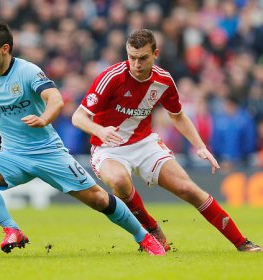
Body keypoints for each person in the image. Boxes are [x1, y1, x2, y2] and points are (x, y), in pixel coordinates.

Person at [0, 21, 165, 256]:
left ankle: (143, 237)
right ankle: (12, 230)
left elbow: (55, 99)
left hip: (48, 152)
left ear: (5, 49)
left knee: (98, 199)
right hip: (12, 155)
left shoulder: (28, 72)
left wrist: (44, 119)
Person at [72, 29, 261, 252]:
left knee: (188, 189)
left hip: (144, 144)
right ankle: (152, 229)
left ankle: (241, 242)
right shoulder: (111, 77)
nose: (136, 64)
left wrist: (200, 146)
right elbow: (78, 117)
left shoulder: (163, 80)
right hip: (108, 148)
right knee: (120, 181)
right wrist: (100, 131)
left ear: (155, 54)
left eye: (142, 58)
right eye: (131, 57)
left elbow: (177, 115)